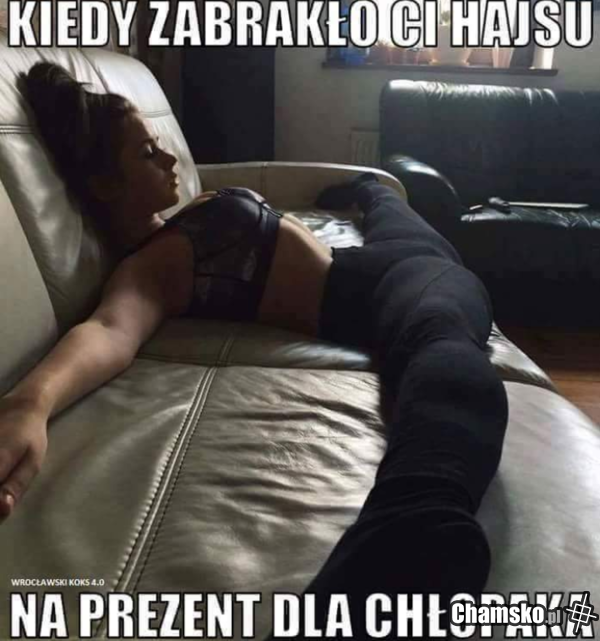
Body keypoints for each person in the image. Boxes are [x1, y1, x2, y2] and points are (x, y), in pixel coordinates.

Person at [0, 62, 508, 637]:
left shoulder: (173, 224)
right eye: (146, 154)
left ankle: (369, 191)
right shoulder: (154, 267)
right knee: (447, 341)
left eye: (158, 145)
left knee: (396, 212)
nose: (169, 159)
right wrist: (31, 403)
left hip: (373, 262)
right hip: (387, 289)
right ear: (104, 185)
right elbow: (109, 330)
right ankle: (414, 531)